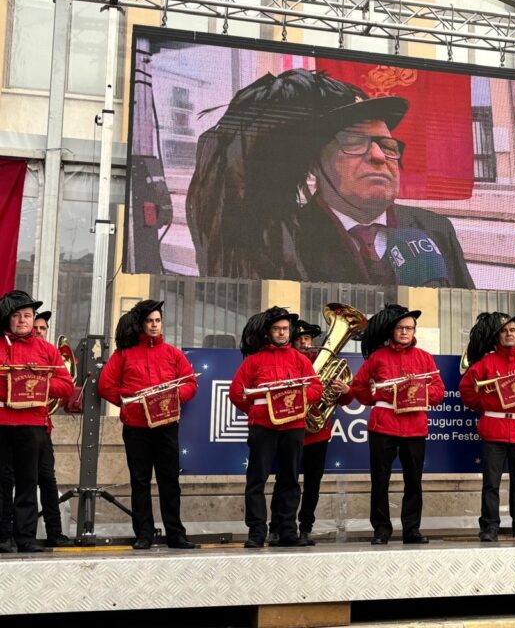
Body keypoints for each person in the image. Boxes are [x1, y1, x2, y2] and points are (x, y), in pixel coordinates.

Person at [186, 69, 474, 288]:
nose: (378, 156)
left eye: (387, 146)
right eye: (353, 142)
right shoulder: (282, 241)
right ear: (314, 163)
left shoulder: (435, 230)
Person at [98, 300, 199, 550]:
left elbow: (190, 384)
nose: (154, 325)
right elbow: (105, 386)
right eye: (149, 322)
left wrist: (173, 398)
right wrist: (130, 405)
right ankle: (144, 534)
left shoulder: (173, 353)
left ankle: (176, 533)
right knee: (140, 481)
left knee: (169, 481)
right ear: (141, 325)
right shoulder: (124, 354)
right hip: (136, 428)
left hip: (166, 425)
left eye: (157, 321)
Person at [229, 307, 323, 548]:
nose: (282, 333)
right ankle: (257, 531)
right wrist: (255, 411)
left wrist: (298, 399)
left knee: (290, 478)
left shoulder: (300, 360)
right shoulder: (254, 361)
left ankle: (287, 530)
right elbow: (237, 392)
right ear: (268, 332)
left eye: (285, 329)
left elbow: (316, 389)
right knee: (257, 479)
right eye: (277, 329)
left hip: (293, 425)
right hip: (263, 426)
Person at [350, 304, 444, 545]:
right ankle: (381, 530)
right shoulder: (377, 358)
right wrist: (381, 396)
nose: (405, 332)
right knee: (379, 480)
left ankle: (411, 529)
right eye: (401, 328)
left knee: (414, 480)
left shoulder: (425, 358)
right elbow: (359, 388)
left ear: (414, 331)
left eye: (409, 328)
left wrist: (418, 390)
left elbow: (438, 391)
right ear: (392, 330)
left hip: (414, 426)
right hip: (383, 426)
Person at [460, 312, 515, 543]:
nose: (509, 334)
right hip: (494, 427)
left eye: (512, 330)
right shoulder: (485, 364)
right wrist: (487, 401)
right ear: (496, 336)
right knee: (491, 482)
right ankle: (489, 527)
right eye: (504, 331)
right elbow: (467, 392)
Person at [0, 290, 74, 553]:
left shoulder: (47, 350)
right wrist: (11, 385)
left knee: (28, 483)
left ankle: (26, 538)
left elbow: (66, 386)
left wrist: (37, 385)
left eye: (28, 316)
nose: (22, 320)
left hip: (32, 424)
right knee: (1, 482)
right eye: (17, 315)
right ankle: (2, 537)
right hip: (2, 421)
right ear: (7, 318)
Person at [292, 318, 353, 546]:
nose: (304, 343)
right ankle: (282, 527)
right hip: (290, 430)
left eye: (307, 339)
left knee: (313, 484)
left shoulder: (326, 362)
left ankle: (305, 527)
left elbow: (344, 399)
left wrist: (345, 390)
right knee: (287, 482)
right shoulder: (288, 362)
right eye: (298, 340)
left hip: (318, 433)